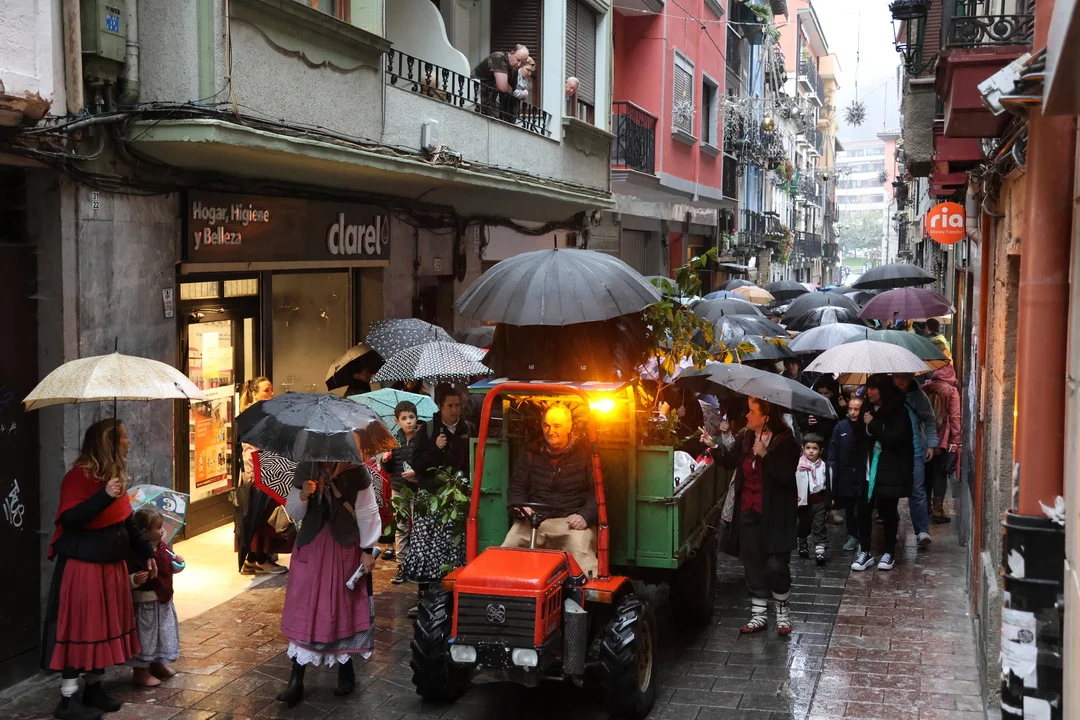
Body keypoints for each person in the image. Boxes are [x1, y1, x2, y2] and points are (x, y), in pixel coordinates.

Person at [42, 419, 156, 720]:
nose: (129, 442)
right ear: (109, 443)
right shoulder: (78, 476)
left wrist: (147, 551)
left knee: (102, 629)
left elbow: (126, 520)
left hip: (109, 568)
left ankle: (93, 688)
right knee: (80, 628)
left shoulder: (114, 476)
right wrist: (104, 494)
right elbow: (70, 520)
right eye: (123, 437)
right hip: (84, 567)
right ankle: (68, 700)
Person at [278, 451, 388, 707]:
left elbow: (367, 510)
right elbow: (294, 513)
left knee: (341, 606)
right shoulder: (306, 467)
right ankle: (296, 678)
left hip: (343, 546)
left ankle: (346, 671)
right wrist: (303, 494)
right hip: (311, 546)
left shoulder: (355, 470)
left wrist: (367, 549)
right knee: (305, 607)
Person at [700, 399, 800, 635]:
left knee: (775, 565)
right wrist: (713, 444)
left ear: (766, 417)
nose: (746, 415)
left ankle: (783, 613)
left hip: (776, 515)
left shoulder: (786, 441)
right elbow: (729, 461)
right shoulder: (746, 436)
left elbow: (785, 476)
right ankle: (759, 615)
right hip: (748, 510)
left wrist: (765, 455)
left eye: (752, 411)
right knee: (752, 562)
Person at [503, 405, 599, 578]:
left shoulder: (586, 454)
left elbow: (598, 491)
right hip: (536, 520)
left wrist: (585, 516)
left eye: (556, 426)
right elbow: (517, 485)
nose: (550, 431)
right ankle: (504, 589)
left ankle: (588, 591)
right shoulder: (531, 453)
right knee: (509, 546)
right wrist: (521, 507)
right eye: (546, 425)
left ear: (569, 427)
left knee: (582, 554)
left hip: (571, 522)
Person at [402, 384, 473, 616]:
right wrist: (435, 448)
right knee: (426, 546)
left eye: (457, 405)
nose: (455, 410)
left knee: (452, 547)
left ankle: (450, 595)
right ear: (440, 407)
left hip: (455, 497)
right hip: (430, 496)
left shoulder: (467, 429)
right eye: (450, 406)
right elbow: (417, 464)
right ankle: (423, 597)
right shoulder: (429, 429)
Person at [851, 375, 915, 572]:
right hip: (867, 468)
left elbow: (897, 438)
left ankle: (889, 552)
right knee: (863, 510)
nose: (869, 392)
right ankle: (865, 551)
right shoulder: (867, 408)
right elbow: (859, 435)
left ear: (883, 390)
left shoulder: (899, 411)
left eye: (873, 388)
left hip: (888, 470)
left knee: (888, 511)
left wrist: (874, 424)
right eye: (868, 388)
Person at [127, 508, 183, 687]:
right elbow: (125, 576)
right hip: (146, 603)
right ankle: (141, 672)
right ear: (144, 532)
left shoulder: (162, 547)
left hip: (163, 600)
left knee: (161, 634)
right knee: (146, 637)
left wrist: (178, 564)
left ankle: (158, 664)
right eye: (158, 528)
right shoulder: (135, 553)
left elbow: (170, 566)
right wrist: (134, 580)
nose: (162, 531)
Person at [238, 377, 287, 575]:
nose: (271, 394)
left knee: (258, 517)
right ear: (254, 393)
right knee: (262, 518)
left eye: (271, 389)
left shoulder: (260, 414)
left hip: (264, 470)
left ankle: (253, 559)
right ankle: (260, 559)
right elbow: (251, 449)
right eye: (266, 390)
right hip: (260, 473)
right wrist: (253, 477)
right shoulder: (254, 416)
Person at [894, 373, 939, 548]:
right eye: (898, 377)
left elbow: (930, 420)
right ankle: (892, 527)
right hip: (893, 450)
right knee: (891, 491)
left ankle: (922, 531)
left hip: (915, 450)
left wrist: (931, 444)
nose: (901, 381)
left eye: (905, 378)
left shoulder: (919, 396)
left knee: (917, 491)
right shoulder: (888, 393)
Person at [382, 401, 421, 576]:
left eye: (411, 417)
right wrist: (385, 460)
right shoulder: (394, 440)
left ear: (416, 418)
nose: (408, 421)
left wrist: (416, 472)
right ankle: (402, 564)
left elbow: (426, 462)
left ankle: (418, 562)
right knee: (401, 526)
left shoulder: (422, 439)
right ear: (397, 421)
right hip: (398, 488)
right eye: (404, 418)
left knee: (419, 526)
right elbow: (389, 470)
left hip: (417, 488)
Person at [923, 365, 961, 523]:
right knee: (940, 473)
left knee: (926, 472)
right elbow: (955, 416)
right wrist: (956, 440)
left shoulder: (925, 387)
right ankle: (938, 510)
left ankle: (925, 507)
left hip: (925, 437)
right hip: (942, 439)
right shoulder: (951, 391)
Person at [828, 395, 866, 552]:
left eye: (857, 409)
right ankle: (853, 535)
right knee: (849, 508)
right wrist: (833, 474)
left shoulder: (868, 427)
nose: (853, 412)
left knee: (863, 508)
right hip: (846, 474)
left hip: (863, 474)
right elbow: (833, 452)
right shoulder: (841, 427)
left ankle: (864, 538)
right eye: (850, 409)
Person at [796, 433, 830, 565]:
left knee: (819, 524)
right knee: (803, 524)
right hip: (804, 501)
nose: (811, 451)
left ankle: (820, 549)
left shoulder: (824, 466)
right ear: (803, 448)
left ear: (821, 450)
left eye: (815, 448)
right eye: (808, 448)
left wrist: (829, 498)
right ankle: (803, 542)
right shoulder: (799, 466)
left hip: (819, 500)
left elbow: (829, 483)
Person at [472, 44, 529, 118]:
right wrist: (506, 86)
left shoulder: (514, 69)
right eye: (518, 60)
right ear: (511, 53)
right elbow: (502, 87)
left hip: (490, 101)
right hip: (476, 94)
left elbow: (512, 89)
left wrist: (506, 87)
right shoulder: (499, 57)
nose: (519, 64)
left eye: (523, 63)